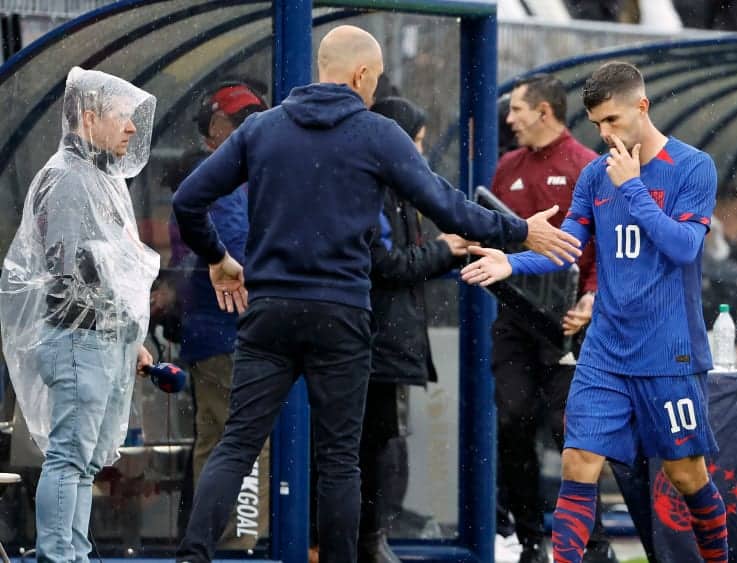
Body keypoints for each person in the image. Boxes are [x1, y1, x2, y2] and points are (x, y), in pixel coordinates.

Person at [171, 25, 580, 563]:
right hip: (340, 315)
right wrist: (520, 230)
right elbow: (446, 206)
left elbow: (188, 200)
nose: (374, 87)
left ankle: (192, 557)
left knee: (237, 444)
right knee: (340, 460)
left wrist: (219, 259)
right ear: (361, 74)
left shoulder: (261, 130)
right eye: (377, 77)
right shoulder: (377, 134)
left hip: (268, 313)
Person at [462, 61, 729, 563]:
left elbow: (684, 247)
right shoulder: (593, 175)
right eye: (597, 124)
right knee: (579, 460)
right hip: (605, 349)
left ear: (642, 107)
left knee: (686, 475)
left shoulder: (694, 167)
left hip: (668, 352)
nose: (604, 134)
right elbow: (567, 247)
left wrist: (633, 188)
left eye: (612, 120)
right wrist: (511, 261)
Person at [0, 67, 159, 562]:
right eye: (122, 117)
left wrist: (129, 335)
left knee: (85, 461)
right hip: (78, 339)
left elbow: (103, 268)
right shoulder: (70, 178)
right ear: (90, 118)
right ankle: (58, 555)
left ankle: (74, 553)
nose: (131, 128)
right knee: (70, 457)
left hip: (96, 339)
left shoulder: (96, 177)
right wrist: (115, 321)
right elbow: (71, 269)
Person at [488, 73, 617, 563]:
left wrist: (591, 299)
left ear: (544, 112)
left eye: (517, 109)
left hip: (569, 327)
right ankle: (529, 542)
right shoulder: (507, 168)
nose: (509, 119)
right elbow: (494, 232)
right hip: (515, 321)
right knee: (512, 423)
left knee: (572, 434)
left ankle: (592, 545)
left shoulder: (586, 166)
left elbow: (605, 245)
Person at [357, 96, 471, 563]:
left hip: (387, 340)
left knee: (381, 442)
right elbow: (386, 264)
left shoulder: (399, 190)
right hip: (373, 340)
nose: (420, 152)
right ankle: (365, 539)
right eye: (417, 141)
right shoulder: (374, 191)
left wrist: (448, 251)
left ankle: (371, 536)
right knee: (370, 446)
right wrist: (444, 249)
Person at [173, 82, 271, 550]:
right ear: (216, 128)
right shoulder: (227, 180)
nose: (254, 130)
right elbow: (238, 250)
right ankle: (240, 544)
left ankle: (212, 542)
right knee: (243, 439)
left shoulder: (230, 177)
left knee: (216, 439)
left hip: (216, 332)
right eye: (241, 122)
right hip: (230, 331)